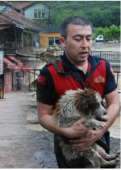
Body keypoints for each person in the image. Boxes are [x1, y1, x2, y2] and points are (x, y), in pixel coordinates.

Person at [36, 16, 119, 167]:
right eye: (78, 39)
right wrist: (66, 131)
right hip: (68, 143)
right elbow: (43, 115)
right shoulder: (49, 73)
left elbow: (114, 104)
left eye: (88, 38)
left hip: (99, 132)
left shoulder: (103, 66)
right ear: (63, 42)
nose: (85, 45)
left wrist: (99, 133)